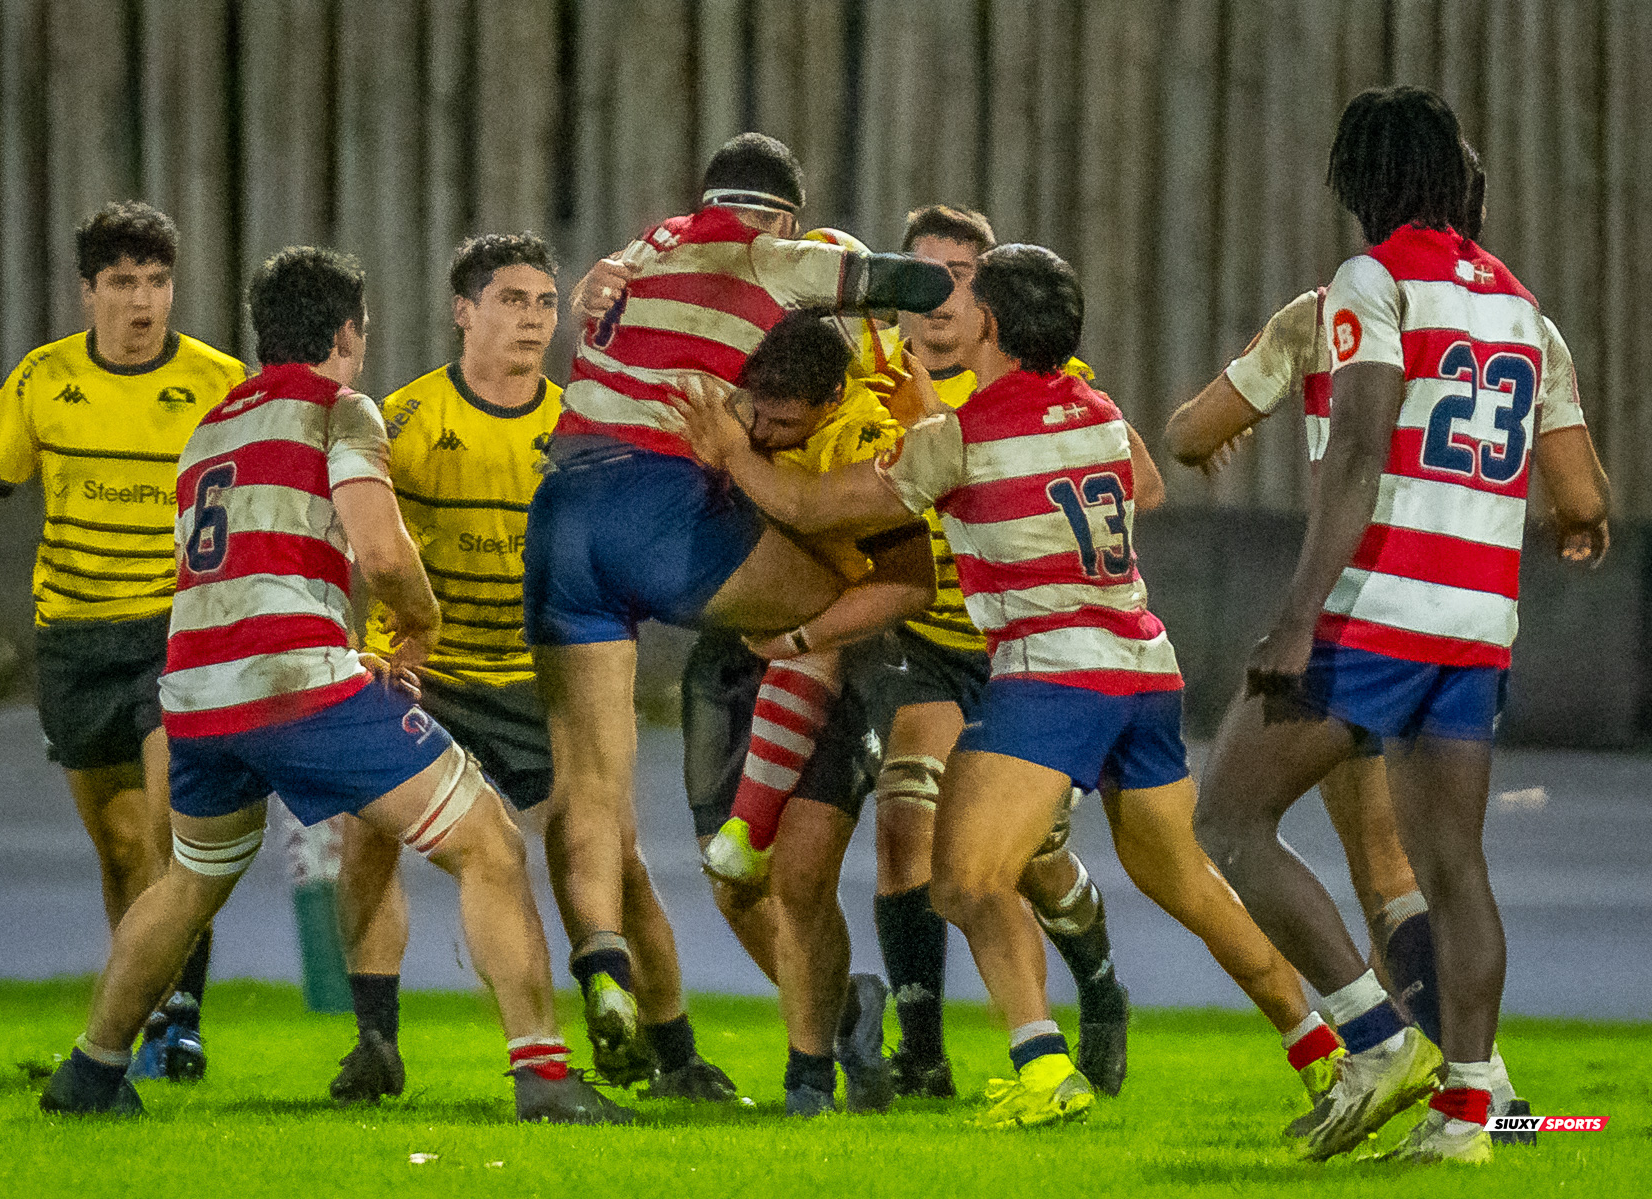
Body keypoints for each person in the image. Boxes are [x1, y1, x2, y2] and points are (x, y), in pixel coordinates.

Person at [677, 243, 1332, 1130]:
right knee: (1189, 882)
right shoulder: (1096, 407)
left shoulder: (963, 438)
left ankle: (1041, 1067)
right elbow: (1143, 484)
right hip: (1141, 664)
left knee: (965, 878)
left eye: (967, 296)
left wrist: (733, 452)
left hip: (1050, 675)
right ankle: (1331, 1050)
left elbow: (814, 509)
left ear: (988, 323)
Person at [38, 246, 630, 1126]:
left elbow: (233, 571)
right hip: (290, 684)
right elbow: (383, 549)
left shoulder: (213, 426)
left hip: (196, 689)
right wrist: (419, 624)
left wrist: (333, 645)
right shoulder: (339, 410)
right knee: (489, 844)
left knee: (190, 881)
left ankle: (89, 1071)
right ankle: (544, 1075)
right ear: (349, 332)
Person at [1190, 86, 1611, 1164]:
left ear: (1361, 182)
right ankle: (1468, 1112)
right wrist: (1568, 527)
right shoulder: (1526, 311)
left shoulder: (1371, 282)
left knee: (1228, 818)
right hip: (1477, 621)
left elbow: (1362, 447)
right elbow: (1583, 499)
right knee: (1453, 864)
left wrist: (1296, 618)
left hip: (1376, 606)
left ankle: (1374, 1036)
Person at [524, 131, 953, 1064]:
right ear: (784, 217)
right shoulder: (784, 257)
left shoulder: (644, 248)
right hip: (665, 507)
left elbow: (614, 284)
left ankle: (600, 962)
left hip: (560, 510)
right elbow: (922, 286)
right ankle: (752, 830)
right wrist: (851, 272)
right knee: (855, 587)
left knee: (589, 784)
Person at [332, 232, 734, 1101]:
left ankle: (678, 1055)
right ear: (463, 311)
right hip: (430, 679)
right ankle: (375, 1042)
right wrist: (369, 646)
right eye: (512, 301)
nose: (532, 319)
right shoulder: (403, 420)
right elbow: (354, 542)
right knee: (363, 832)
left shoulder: (578, 427)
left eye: (546, 303)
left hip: (540, 683)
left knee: (615, 860)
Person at [0, 201, 242, 1081]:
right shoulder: (43, 379)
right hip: (73, 635)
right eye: (123, 283)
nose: (143, 300)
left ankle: (180, 1021)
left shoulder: (219, 379)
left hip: (176, 629)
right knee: (118, 850)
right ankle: (141, 1017)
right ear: (88, 293)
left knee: (170, 831)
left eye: (157, 281)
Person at [864, 205, 1129, 1099]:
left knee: (1029, 862)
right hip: (935, 642)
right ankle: (923, 1053)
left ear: (991, 301)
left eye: (961, 274)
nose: (939, 294)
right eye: (921, 272)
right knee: (905, 820)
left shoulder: (1052, 379)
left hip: (1031, 652)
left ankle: (1100, 987)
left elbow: (1141, 486)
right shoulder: (865, 381)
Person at [682, 308, 935, 1115]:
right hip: (729, 659)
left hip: (838, 661)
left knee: (798, 875)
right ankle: (849, 1007)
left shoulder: (867, 443)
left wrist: (804, 632)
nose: (764, 430)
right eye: (755, 412)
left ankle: (807, 1080)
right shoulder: (732, 415)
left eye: (784, 421)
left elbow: (911, 581)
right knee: (733, 888)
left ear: (830, 401)